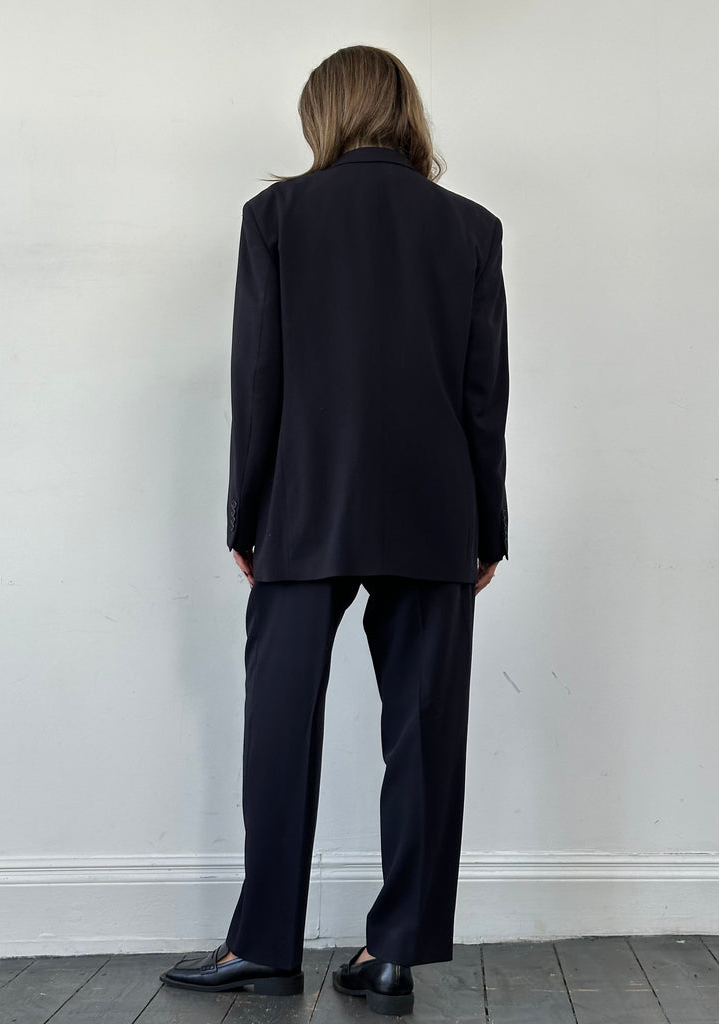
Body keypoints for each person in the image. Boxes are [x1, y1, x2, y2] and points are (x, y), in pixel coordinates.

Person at [161, 43, 509, 1016]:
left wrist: (247, 513)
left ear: (325, 114)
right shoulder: (471, 228)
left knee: (278, 725)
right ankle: (393, 956)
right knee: (426, 734)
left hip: (305, 504)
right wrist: (488, 529)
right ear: (405, 111)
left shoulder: (277, 216)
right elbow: (484, 396)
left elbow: (258, 379)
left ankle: (262, 945)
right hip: (434, 510)